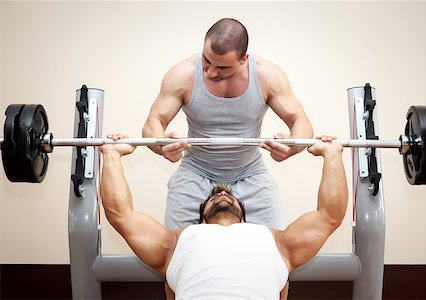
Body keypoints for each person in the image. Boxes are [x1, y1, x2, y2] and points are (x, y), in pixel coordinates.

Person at [100, 134, 347, 299]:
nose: (222, 191)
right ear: (201, 218)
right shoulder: (177, 243)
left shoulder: (277, 242)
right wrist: (111, 154)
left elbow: (329, 216)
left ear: (244, 214)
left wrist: (332, 154)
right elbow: (121, 215)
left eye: (228, 196)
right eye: (213, 197)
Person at [142, 18, 313, 231]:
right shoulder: (182, 75)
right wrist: (161, 145)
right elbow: (153, 122)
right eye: (206, 60)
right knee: (176, 248)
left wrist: (292, 147)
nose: (211, 72)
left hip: (250, 172)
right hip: (195, 171)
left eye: (222, 67)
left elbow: (301, 122)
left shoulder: (267, 76)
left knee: (273, 247)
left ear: (244, 59)